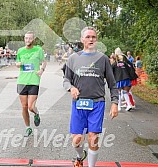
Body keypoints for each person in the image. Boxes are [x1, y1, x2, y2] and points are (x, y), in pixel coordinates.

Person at [63, 27, 118, 167]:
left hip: (97, 103)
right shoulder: (73, 58)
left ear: (96, 39)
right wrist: (71, 88)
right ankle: (80, 156)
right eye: (88, 37)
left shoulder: (103, 59)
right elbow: (65, 80)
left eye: (93, 37)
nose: (91, 39)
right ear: (82, 40)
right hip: (79, 104)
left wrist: (114, 103)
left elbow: (112, 83)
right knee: (76, 140)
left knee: (93, 138)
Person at [16, 31, 47, 137]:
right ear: (24, 39)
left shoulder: (38, 50)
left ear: (33, 39)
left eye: (30, 38)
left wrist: (42, 70)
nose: (28, 40)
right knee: (24, 107)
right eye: (26, 38)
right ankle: (28, 128)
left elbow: (44, 61)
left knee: (30, 107)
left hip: (34, 81)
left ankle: (36, 113)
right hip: (22, 81)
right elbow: (17, 62)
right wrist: (18, 64)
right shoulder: (20, 51)